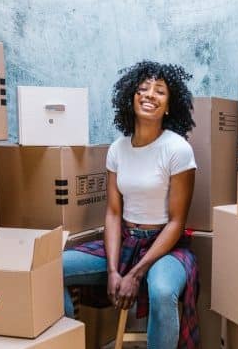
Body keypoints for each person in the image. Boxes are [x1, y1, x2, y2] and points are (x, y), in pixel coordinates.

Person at [63, 60, 200, 349]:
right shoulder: (117, 149)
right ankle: (64, 343)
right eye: (143, 88)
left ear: (169, 106)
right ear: (131, 96)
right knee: (51, 268)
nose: (150, 94)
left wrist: (136, 274)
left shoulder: (177, 149)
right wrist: (113, 271)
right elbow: (113, 213)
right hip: (124, 241)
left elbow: (177, 222)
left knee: (163, 292)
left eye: (160, 91)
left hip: (165, 247)